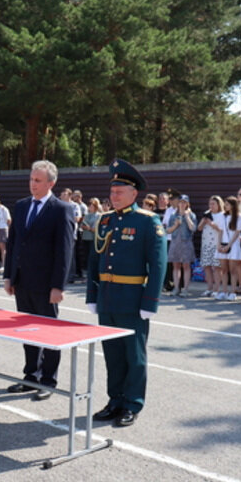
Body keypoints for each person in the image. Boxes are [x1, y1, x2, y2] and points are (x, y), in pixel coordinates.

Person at [86, 159, 166, 427]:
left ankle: (132, 403)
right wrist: (92, 295)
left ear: (134, 193)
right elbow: (94, 261)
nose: (114, 196)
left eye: (119, 192)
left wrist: (150, 301)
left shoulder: (147, 221)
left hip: (133, 298)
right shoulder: (105, 220)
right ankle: (115, 400)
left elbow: (157, 265)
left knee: (134, 354)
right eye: (112, 191)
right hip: (108, 296)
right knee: (112, 353)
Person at [3, 160, 74, 401]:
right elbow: (13, 243)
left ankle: (49, 380)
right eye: (31, 179)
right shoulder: (22, 206)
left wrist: (58, 286)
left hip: (46, 284)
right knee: (27, 331)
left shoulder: (61, 209)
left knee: (49, 332)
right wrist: (8, 276)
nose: (33, 184)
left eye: (38, 180)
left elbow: (64, 251)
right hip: (22, 281)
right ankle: (31, 375)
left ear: (51, 183)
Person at [214, 196, 241, 301]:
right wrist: (218, 244)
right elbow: (220, 231)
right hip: (223, 243)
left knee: (233, 270)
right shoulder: (222, 216)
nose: (225, 206)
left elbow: (237, 233)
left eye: (227, 204)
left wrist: (229, 245)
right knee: (223, 269)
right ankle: (224, 291)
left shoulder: (240, 217)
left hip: (233, 245)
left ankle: (232, 292)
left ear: (233, 205)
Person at [166, 194, 197, 297]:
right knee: (175, 265)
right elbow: (168, 230)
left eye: (184, 202)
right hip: (175, 242)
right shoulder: (173, 215)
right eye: (180, 202)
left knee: (186, 266)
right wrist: (176, 225)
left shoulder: (192, 215)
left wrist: (187, 217)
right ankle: (176, 288)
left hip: (186, 242)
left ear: (187, 204)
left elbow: (193, 228)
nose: (182, 204)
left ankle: (185, 289)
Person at [197, 196, 224, 297]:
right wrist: (204, 221)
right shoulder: (207, 214)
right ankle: (209, 288)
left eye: (213, 204)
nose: (211, 206)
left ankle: (216, 289)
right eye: (210, 204)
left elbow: (222, 230)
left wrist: (212, 224)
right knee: (207, 266)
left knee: (216, 267)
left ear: (218, 205)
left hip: (216, 243)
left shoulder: (222, 215)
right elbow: (199, 228)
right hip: (206, 243)